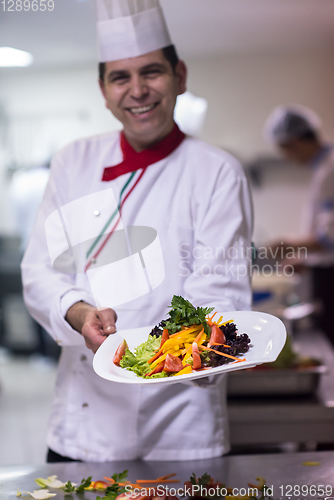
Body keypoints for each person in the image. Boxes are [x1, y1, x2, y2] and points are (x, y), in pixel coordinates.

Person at [21, 0, 253, 462]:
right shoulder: (74, 161)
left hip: (180, 424)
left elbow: (218, 294)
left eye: (152, 72)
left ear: (180, 76)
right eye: (120, 77)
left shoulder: (217, 173)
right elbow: (40, 270)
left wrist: (172, 352)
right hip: (83, 425)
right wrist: (78, 309)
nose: (138, 90)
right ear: (103, 91)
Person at [264, 104, 334, 344]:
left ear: (294, 142)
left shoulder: (331, 169)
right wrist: (305, 259)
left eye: (285, 151)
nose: (287, 158)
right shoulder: (322, 170)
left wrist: (289, 244)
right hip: (324, 272)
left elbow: (330, 237)